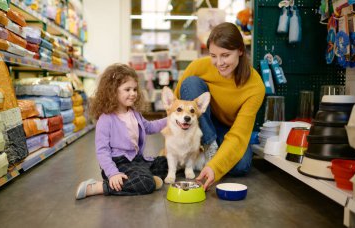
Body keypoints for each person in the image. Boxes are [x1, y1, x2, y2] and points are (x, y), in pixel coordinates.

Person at [174, 22, 265, 191]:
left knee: (241, 166)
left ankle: (206, 156)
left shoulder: (255, 86)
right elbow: (175, 103)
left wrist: (215, 168)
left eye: (225, 55)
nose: (219, 62)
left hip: (227, 130)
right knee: (191, 83)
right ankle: (208, 146)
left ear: (240, 51)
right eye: (213, 55)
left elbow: (238, 135)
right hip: (200, 122)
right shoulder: (198, 66)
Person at [75, 63, 168, 200]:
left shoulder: (134, 113)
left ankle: (142, 177)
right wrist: (113, 173)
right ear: (113, 91)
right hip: (118, 164)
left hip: (136, 160)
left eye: (135, 89)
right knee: (146, 183)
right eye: (127, 89)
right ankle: (99, 187)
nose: (133, 93)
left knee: (164, 163)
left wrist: (171, 119)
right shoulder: (106, 119)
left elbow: (149, 127)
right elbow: (102, 151)